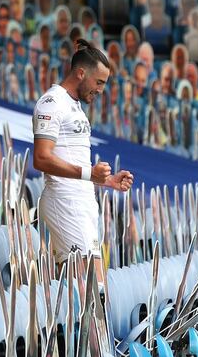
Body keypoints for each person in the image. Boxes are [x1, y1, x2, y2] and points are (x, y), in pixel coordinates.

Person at [33, 39, 134, 270]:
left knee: (86, 295)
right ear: (80, 73)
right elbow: (41, 159)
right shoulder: (51, 102)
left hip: (83, 204)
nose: (100, 90)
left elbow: (71, 158)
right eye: (98, 82)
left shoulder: (74, 105)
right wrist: (90, 173)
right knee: (94, 294)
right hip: (65, 202)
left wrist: (107, 180)